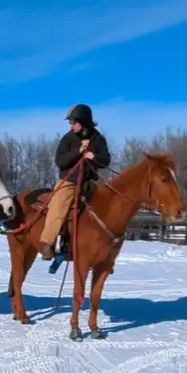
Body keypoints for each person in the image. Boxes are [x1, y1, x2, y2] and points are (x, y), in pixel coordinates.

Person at [39, 103, 111, 259]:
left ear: (83, 121)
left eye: (73, 122)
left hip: (89, 182)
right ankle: (48, 243)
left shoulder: (98, 139)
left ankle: (105, 249)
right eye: (70, 123)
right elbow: (60, 161)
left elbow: (106, 160)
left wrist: (94, 157)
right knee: (58, 207)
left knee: (107, 207)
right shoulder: (68, 139)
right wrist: (78, 151)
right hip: (69, 181)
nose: (71, 126)